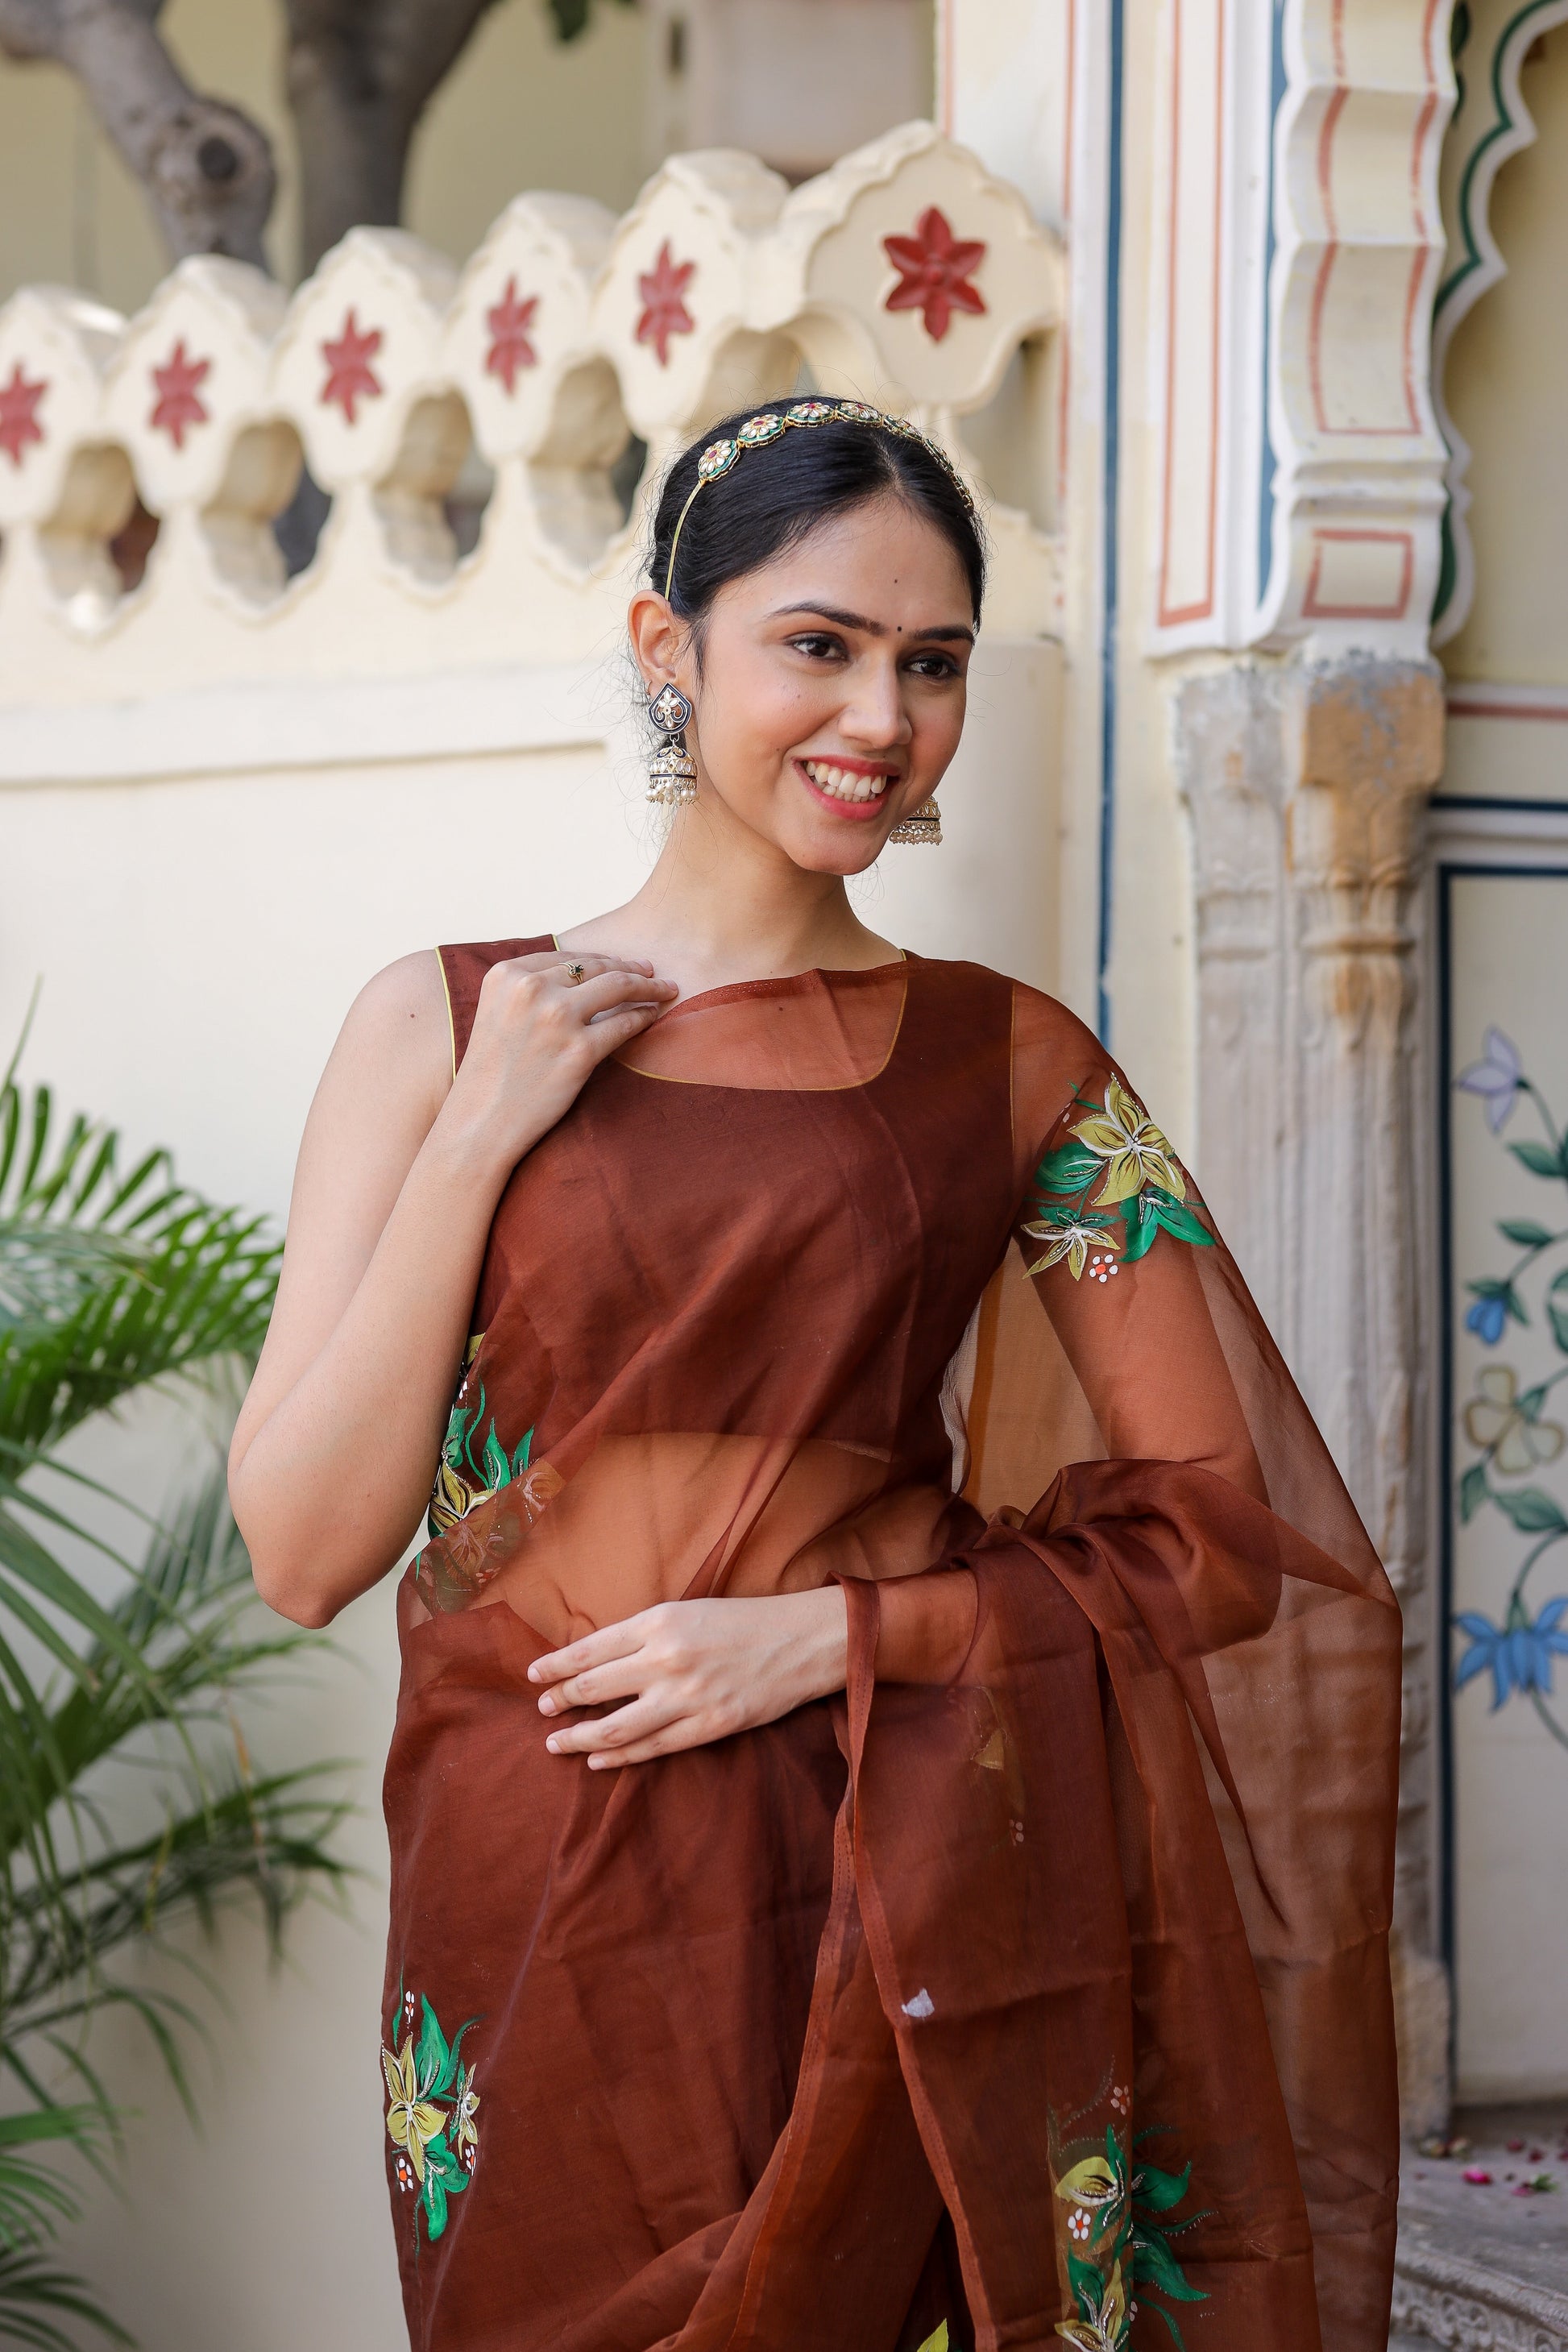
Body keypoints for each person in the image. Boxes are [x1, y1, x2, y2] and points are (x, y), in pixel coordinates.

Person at [229, 398, 1400, 2352]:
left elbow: (1219, 1534)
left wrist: (829, 1639)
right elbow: (302, 1544)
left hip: (899, 1875)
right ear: (664, 648)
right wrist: (479, 1133)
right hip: (542, 1891)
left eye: (929, 662)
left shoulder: (1014, 1065)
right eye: (818, 644)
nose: (880, 716)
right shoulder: (441, 1023)